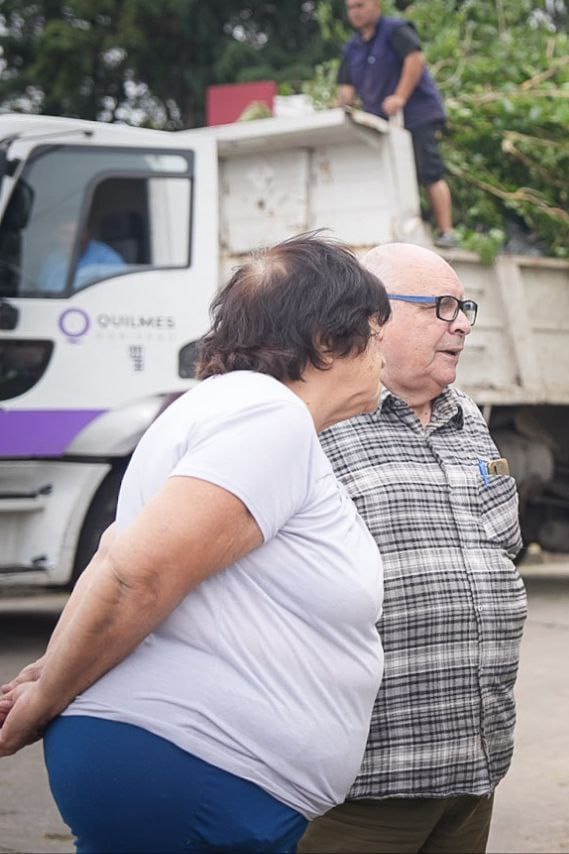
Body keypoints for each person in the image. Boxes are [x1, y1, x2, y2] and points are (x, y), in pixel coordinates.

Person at [0, 233, 390, 850]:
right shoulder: (269, 415)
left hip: (184, 770)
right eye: (374, 328)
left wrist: (51, 669)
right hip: (195, 771)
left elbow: (113, 556)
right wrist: (46, 697)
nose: (382, 350)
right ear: (325, 340)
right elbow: (137, 574)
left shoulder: (219, 407)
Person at [298, 243, 524, 853]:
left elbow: (503, 544)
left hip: (473, 774)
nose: (462, 324)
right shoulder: (317, 422)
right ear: (371, 318)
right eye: (441, 307)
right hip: (364, 786)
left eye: (465, 307)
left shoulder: (468, 418)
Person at [338, 0, 458, 249]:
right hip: (379, 123)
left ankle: (447, 232)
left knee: (429, 171)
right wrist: (343, 108)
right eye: (351, 8)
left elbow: (415, 59)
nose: (356, 12)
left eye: (360, 5)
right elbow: (346, 89)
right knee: (385, 175)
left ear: (377, 4)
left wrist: (400, 96)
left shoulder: (396, 30)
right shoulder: (352, 48)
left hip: (416, 114)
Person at [36, 212, 125, 293]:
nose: (71, 239)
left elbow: (118, 290)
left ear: (87, 235)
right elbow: (42, 290)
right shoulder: (53, 259)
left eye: (76, 234)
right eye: (65, 234)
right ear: (57, 236)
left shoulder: (107, 258)